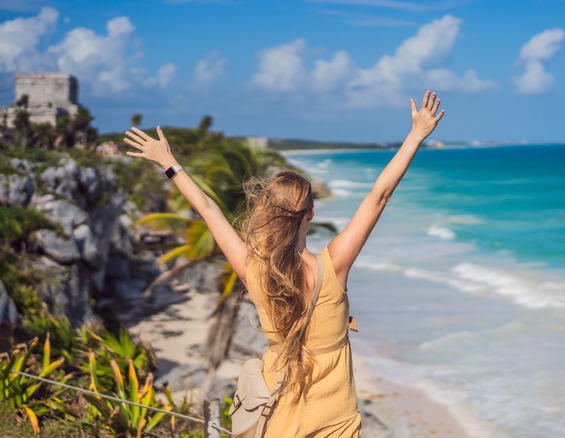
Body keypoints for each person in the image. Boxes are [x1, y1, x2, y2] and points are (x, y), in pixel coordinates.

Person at [123, 90, 444, 436]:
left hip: (279, 422)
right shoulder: (334, 266)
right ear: (310, 213)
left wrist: (169, 163)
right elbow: (378, 197)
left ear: (266, 213)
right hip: (336, 422)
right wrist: (415, 135)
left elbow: (208, 209)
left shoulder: (254, 270)